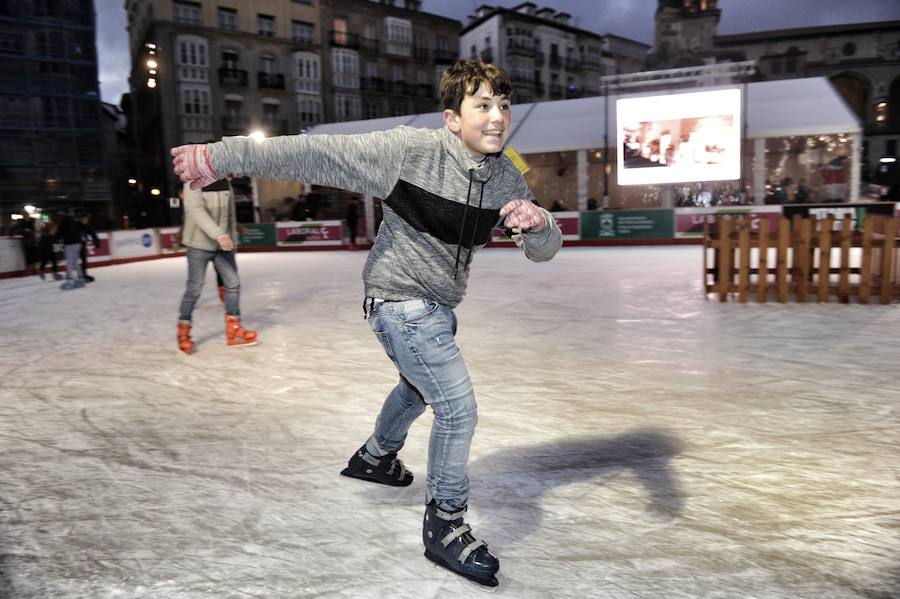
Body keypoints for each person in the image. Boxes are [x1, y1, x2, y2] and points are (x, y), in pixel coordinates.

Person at [171, 59, 562, 587]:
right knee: (457, 408)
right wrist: (220, 155)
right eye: (482, 105)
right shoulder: (408, 151)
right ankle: (445, 525)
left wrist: (539, 223)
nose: (497, 118)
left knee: (418, 387)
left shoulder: (504, 179)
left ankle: (377, 457)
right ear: (452, 117)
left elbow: (543, 250)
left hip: (438, 306)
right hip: (398, 300)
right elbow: (312, 153)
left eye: (504, 105)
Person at [176, 178, 257, 354]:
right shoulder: (192, 181)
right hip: (199, 245)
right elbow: (197, 211)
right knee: (194, 289)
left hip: (223, 245)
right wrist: (219, 235)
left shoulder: (224, 183)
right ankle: (184, 331)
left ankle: (234, 329)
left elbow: (230, 215)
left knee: (233, 284)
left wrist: (232, 240)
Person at [55, 210, 84, 289]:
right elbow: (80, 229)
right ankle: (81, 279)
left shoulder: (65, 220)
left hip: (70, 243)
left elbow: (60, 231)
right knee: (75, 261)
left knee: (69, 262)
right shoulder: (73, 219)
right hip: (78, 243)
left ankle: (70, 281)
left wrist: (55, 240)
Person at [78, 212, 100, 283]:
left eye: (86, 219)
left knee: (84, 260)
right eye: (84, 219)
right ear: (81, 219)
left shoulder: (88, 226)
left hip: (82, 245)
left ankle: (83, 274)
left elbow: (93, 234)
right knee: (74, 261)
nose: (85, 220)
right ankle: (73, 276)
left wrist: (97, 242)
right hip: (75, 245)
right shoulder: (76, 225)